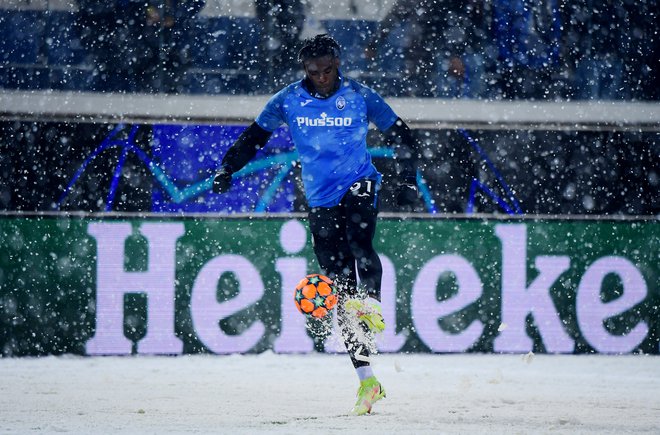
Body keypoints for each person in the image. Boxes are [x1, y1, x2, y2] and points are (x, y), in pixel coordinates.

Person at [212, 34, 419, 415]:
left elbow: (401, 132)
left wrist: (407, 178)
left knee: (361, 243)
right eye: (314, 72)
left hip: (360, 181)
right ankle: (367, 381)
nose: (322, 77)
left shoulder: (360, 95)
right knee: (339, 288)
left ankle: (371, 303)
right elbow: (254, 138)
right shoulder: (288, 100)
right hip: (320, 197)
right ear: (304, 70)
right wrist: (228, 166)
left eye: (328, 70)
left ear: (337, 64)